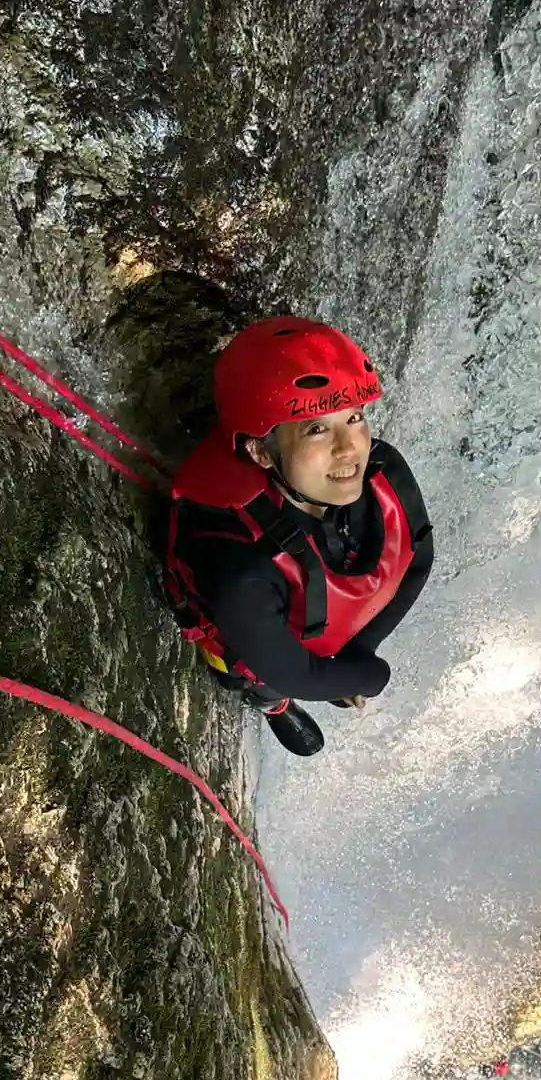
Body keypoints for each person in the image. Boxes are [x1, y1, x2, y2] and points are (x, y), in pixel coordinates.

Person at [163, 317, 434, 756]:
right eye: (316, 428)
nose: (351, 449)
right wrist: (369, 676)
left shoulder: (385, 468)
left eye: (354, 418)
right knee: (251, 676)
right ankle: (270, 706)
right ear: (258, 450)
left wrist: (358, 650)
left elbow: (416, 560)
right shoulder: (240, 568)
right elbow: (294, 673)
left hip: (315, 632)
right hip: (256, 652)